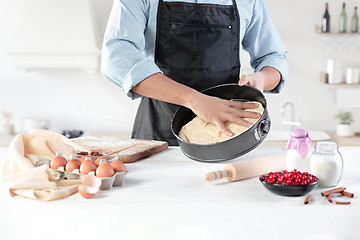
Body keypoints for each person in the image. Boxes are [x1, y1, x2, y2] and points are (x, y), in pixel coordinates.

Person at [101, 0, 288, 146]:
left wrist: (260, 79)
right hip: (157, 134)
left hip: (225, 137)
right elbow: (116, 56)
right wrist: (195, 100)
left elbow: (274, 57)